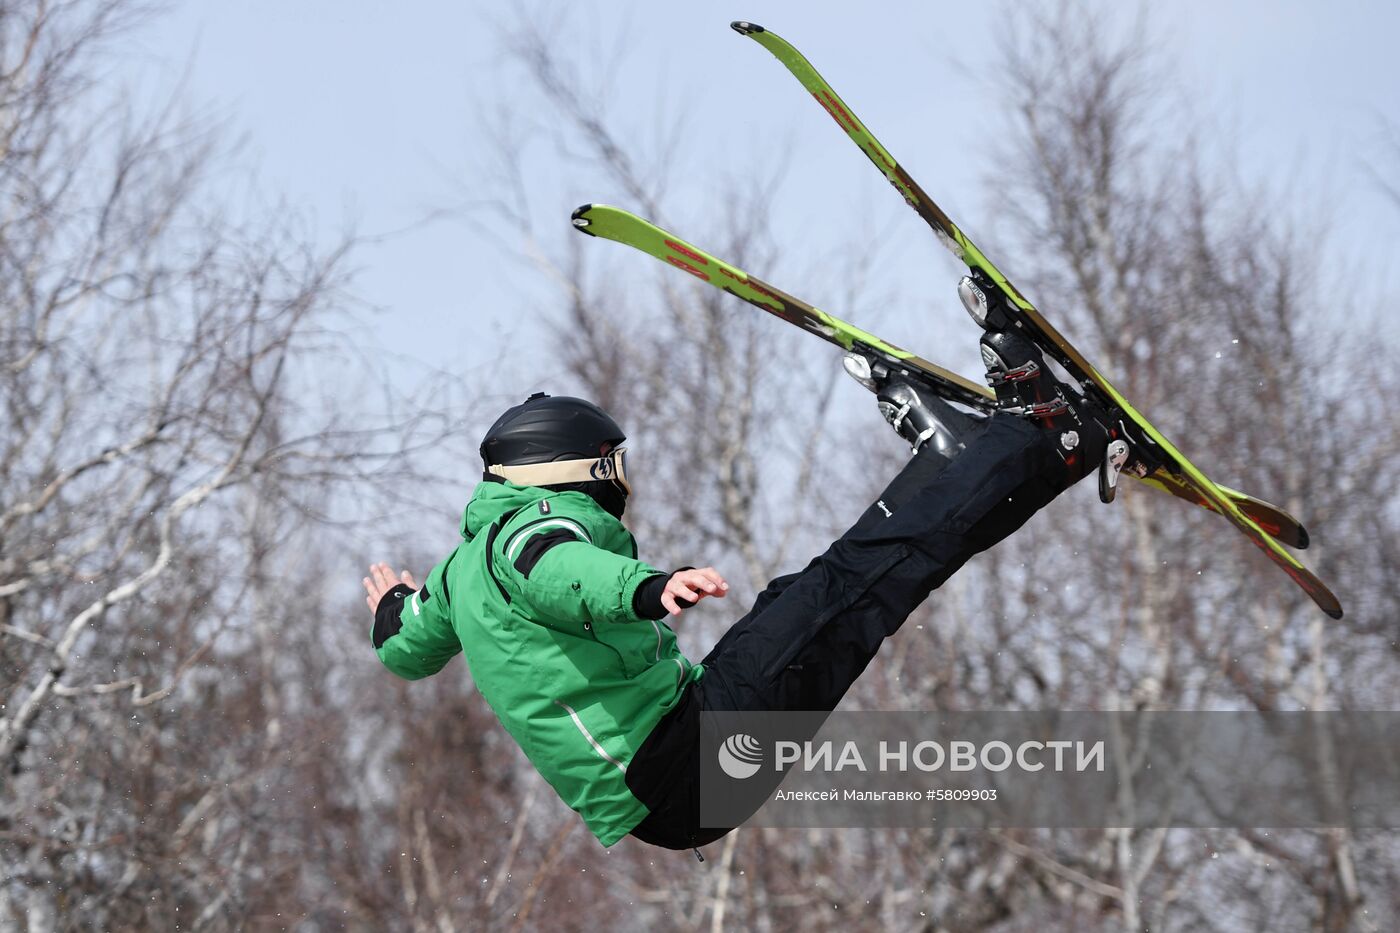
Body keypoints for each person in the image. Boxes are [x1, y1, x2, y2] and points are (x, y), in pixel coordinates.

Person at [363, 315, 1140, 854]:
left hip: (680, 789)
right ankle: (1033, 432)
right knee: (847, 583)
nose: (622, 484)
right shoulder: (528, 532)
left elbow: (407, 646)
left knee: (865, 591)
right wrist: (647, 585)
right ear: (574, 465)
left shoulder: (462, 573)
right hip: (681, 757)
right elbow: (566, 572)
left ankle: (1014, 456)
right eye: (614, 464)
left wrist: (393, 610)